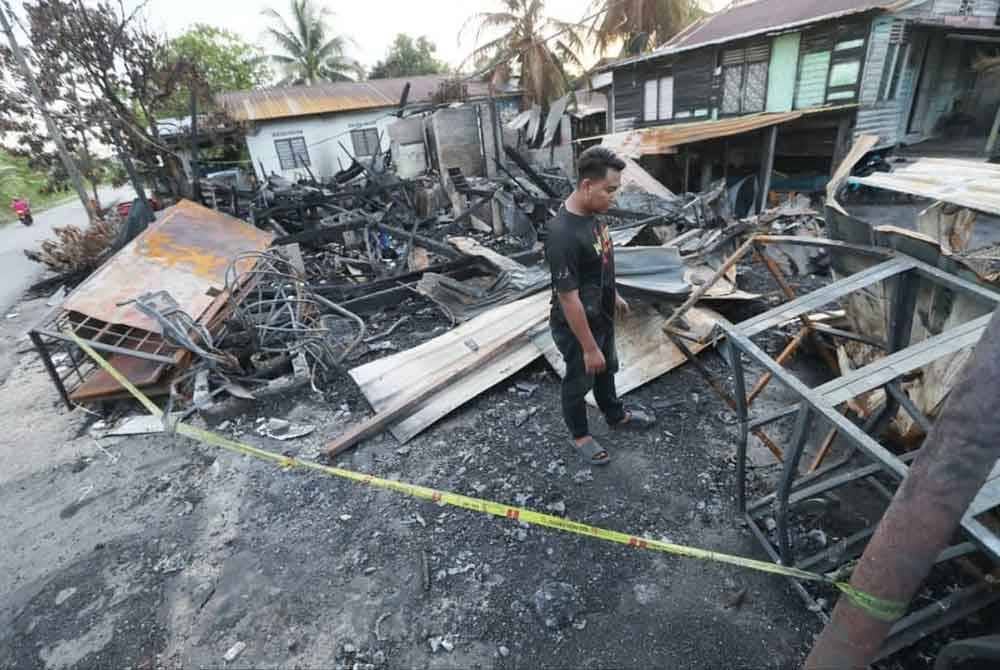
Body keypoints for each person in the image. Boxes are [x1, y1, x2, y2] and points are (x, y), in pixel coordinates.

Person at [545, 147, 655, 466]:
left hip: (602, 314)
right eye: (609, 190)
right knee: (580, 379)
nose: (613, 197)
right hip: (578, 326)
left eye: (615, 190)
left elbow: (602, 262)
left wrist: (614, 293)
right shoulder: (562, 234)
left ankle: (615, 415)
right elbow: (568, 298)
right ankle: (580, 435)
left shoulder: (595, 217)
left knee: (608, 368)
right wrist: (589, 347)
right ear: (586, 186)